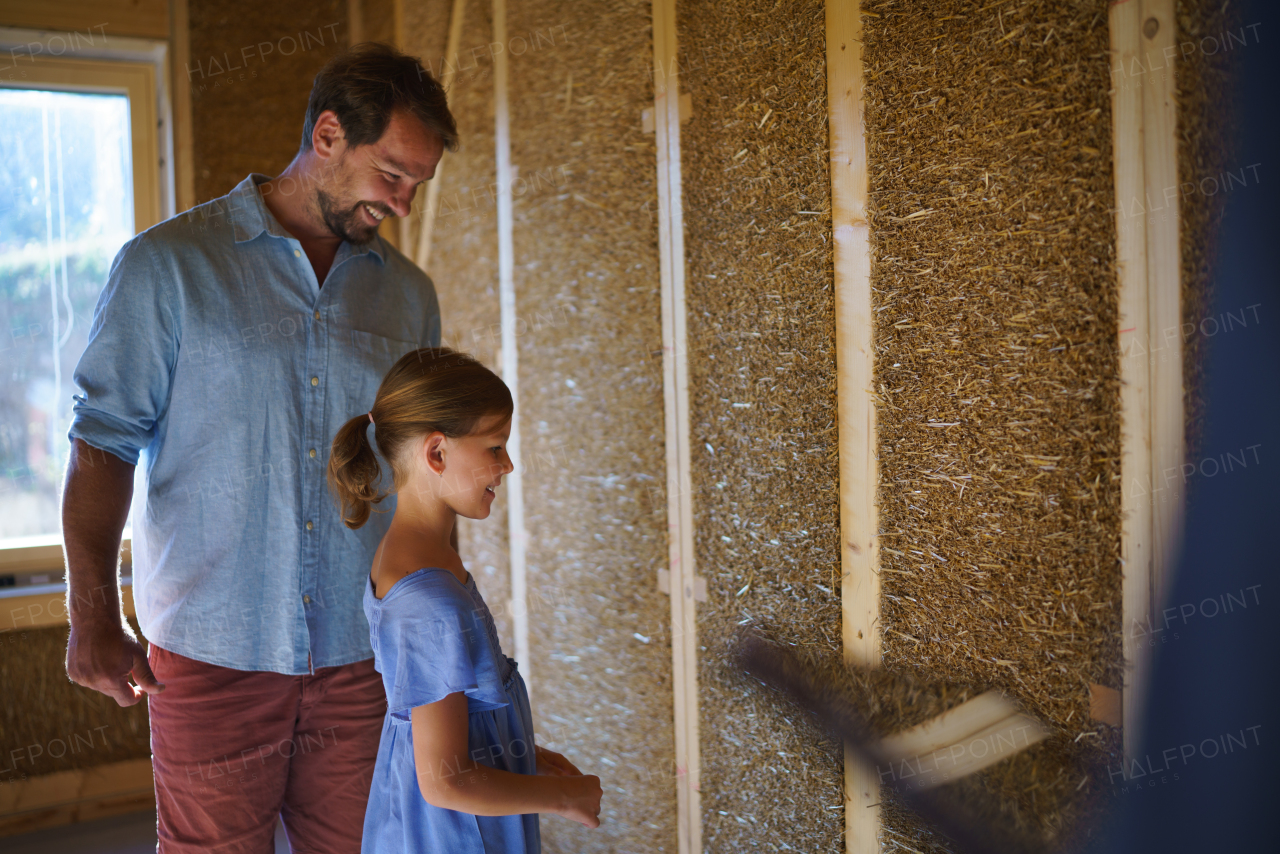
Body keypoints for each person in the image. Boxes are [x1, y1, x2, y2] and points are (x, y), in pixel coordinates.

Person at [61, 43, 456, 853]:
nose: (405, 202)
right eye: (392, 173)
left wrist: (439, 626)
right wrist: (91, 612)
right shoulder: (169, 266)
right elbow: (103, 443)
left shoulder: (409, 297)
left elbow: (422, 481)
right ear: (328, 136)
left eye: (418, 182)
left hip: (360, 659)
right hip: (212, 657)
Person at [326, 347, 603, 852]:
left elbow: (453, 719)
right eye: (495, 447)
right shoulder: (427, 599)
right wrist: (563, 796)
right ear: (437, 453)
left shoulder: (419, 556)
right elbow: (446, 780)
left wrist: (524, 756)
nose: (508, 465)